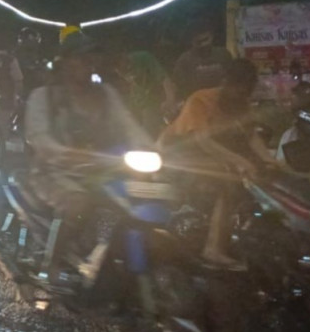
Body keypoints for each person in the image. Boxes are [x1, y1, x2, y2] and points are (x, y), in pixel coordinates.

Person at [24, 31, 155, 283]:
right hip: (54, 172)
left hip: (104, 171)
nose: (88, 64)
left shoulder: (106, 94)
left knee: (142, 199)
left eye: (92, 58)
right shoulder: (43, 97)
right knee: (78, 203)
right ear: (65, 63)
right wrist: (69, 155)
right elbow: (41, 140)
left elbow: (130, 126)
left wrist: (153, 148)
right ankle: (50, 265)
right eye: (81, 58)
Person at [160, 58, 274, 268]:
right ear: (227, 83)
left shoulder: (241, 104)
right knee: (229, 179)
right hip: (176, 153)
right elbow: (202, 141)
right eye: (239, 88)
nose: (242, 94)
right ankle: (214, 249)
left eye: (247, 89)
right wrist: (240, 161)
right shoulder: (201, 100)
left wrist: (269, 161)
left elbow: (252, 137)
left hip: (207, 154)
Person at [114, 48, 176, 136]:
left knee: (149, 127)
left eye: (119, 63)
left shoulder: (143, 58)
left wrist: (170, 100)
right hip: (137, 103)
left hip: (153, 101)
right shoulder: (119, 69)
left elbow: (164, 79)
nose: (119, 69)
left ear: (123, 56)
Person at [171, 33, 232, 102]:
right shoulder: (184, 60)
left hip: (221, 101)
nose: (203, 44)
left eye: (205, 40)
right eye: (199, 42)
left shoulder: (223, 54)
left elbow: (232, 78)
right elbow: (178, 86)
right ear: (192, 41)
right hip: (197, 102)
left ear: (211, 36)